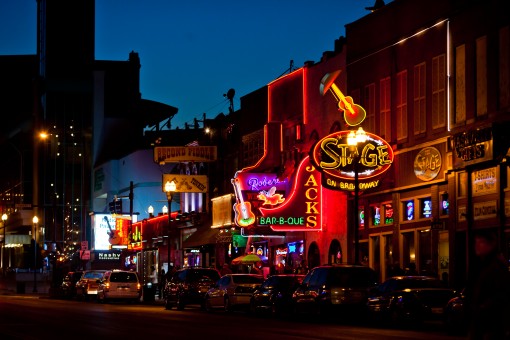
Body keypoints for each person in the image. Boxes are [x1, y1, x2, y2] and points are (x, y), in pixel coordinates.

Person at [465, 230, 510, 340]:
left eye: (481, 242)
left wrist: (483, 309)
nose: (477, 246)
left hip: (489, 327)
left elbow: (500, 296)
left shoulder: (495, 267)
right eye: (476, 242)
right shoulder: (484, 265)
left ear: (491, 244)